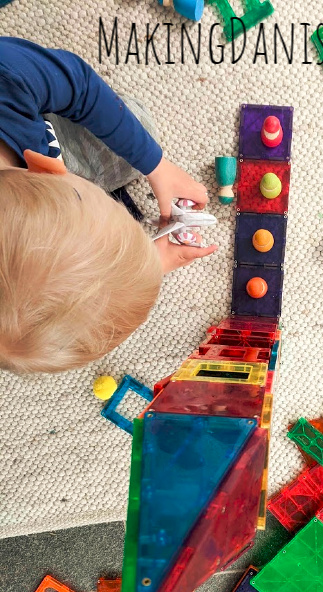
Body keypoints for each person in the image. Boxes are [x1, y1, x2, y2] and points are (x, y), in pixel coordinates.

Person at [0, 37, 218, 373]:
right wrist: (144, 267)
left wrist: (157, 165)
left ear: (47, 167)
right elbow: (33, 306)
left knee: (138, 126)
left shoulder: (8, 74)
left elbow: (81, 87)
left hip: (23, 114)